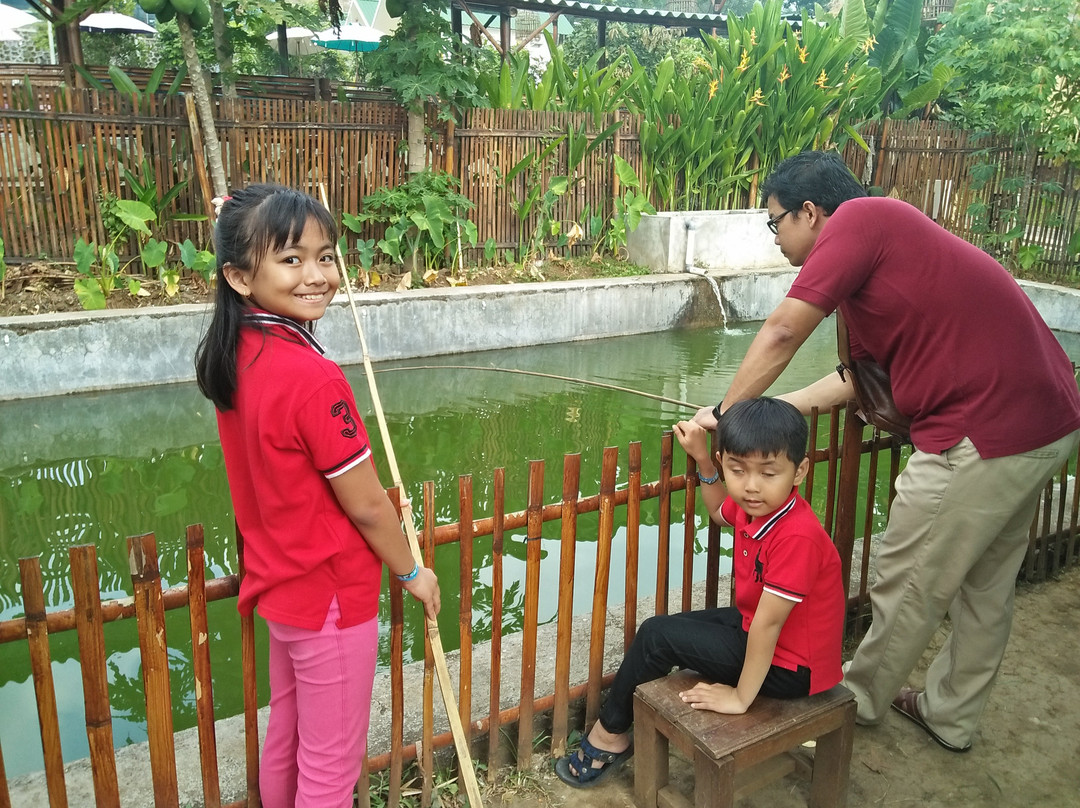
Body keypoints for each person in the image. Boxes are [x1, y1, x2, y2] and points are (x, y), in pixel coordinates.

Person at [695, 150, 1080, 753]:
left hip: (980, 429)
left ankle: (852, 705)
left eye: (776, 222)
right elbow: (859, 379)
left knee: (908, 577)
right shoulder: (884, 250)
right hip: (1044, 420)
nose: (776, 238)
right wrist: (774, 409)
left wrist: (725, 418)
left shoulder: (861, 219)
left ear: (810, 212)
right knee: (985, 585)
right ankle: (950, 716)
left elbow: (782, 331)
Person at [194, 184, 440, 808]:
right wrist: (412, 572)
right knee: (331, 768)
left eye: (325, 256)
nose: (316, 275)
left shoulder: (237, 354)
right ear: (239, 277)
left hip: (280, 583)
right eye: (291, 259)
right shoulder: (312, 376)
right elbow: (366, 505)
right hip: (329, 594)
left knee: (289, 735)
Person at [555, 397, 844, 788]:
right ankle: (622, 723)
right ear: (726, 463)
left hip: (793, 667)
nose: (751, 486)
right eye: (737, 470)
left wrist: (739, 698)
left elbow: (768, 626)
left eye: (768, 473)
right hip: (763, 632)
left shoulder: (798, 536)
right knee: (665, 630)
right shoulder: (762, 507)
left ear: (800, 471)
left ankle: (610, 736)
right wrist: (704, 461)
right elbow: (719, 512)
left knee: (656, 636)